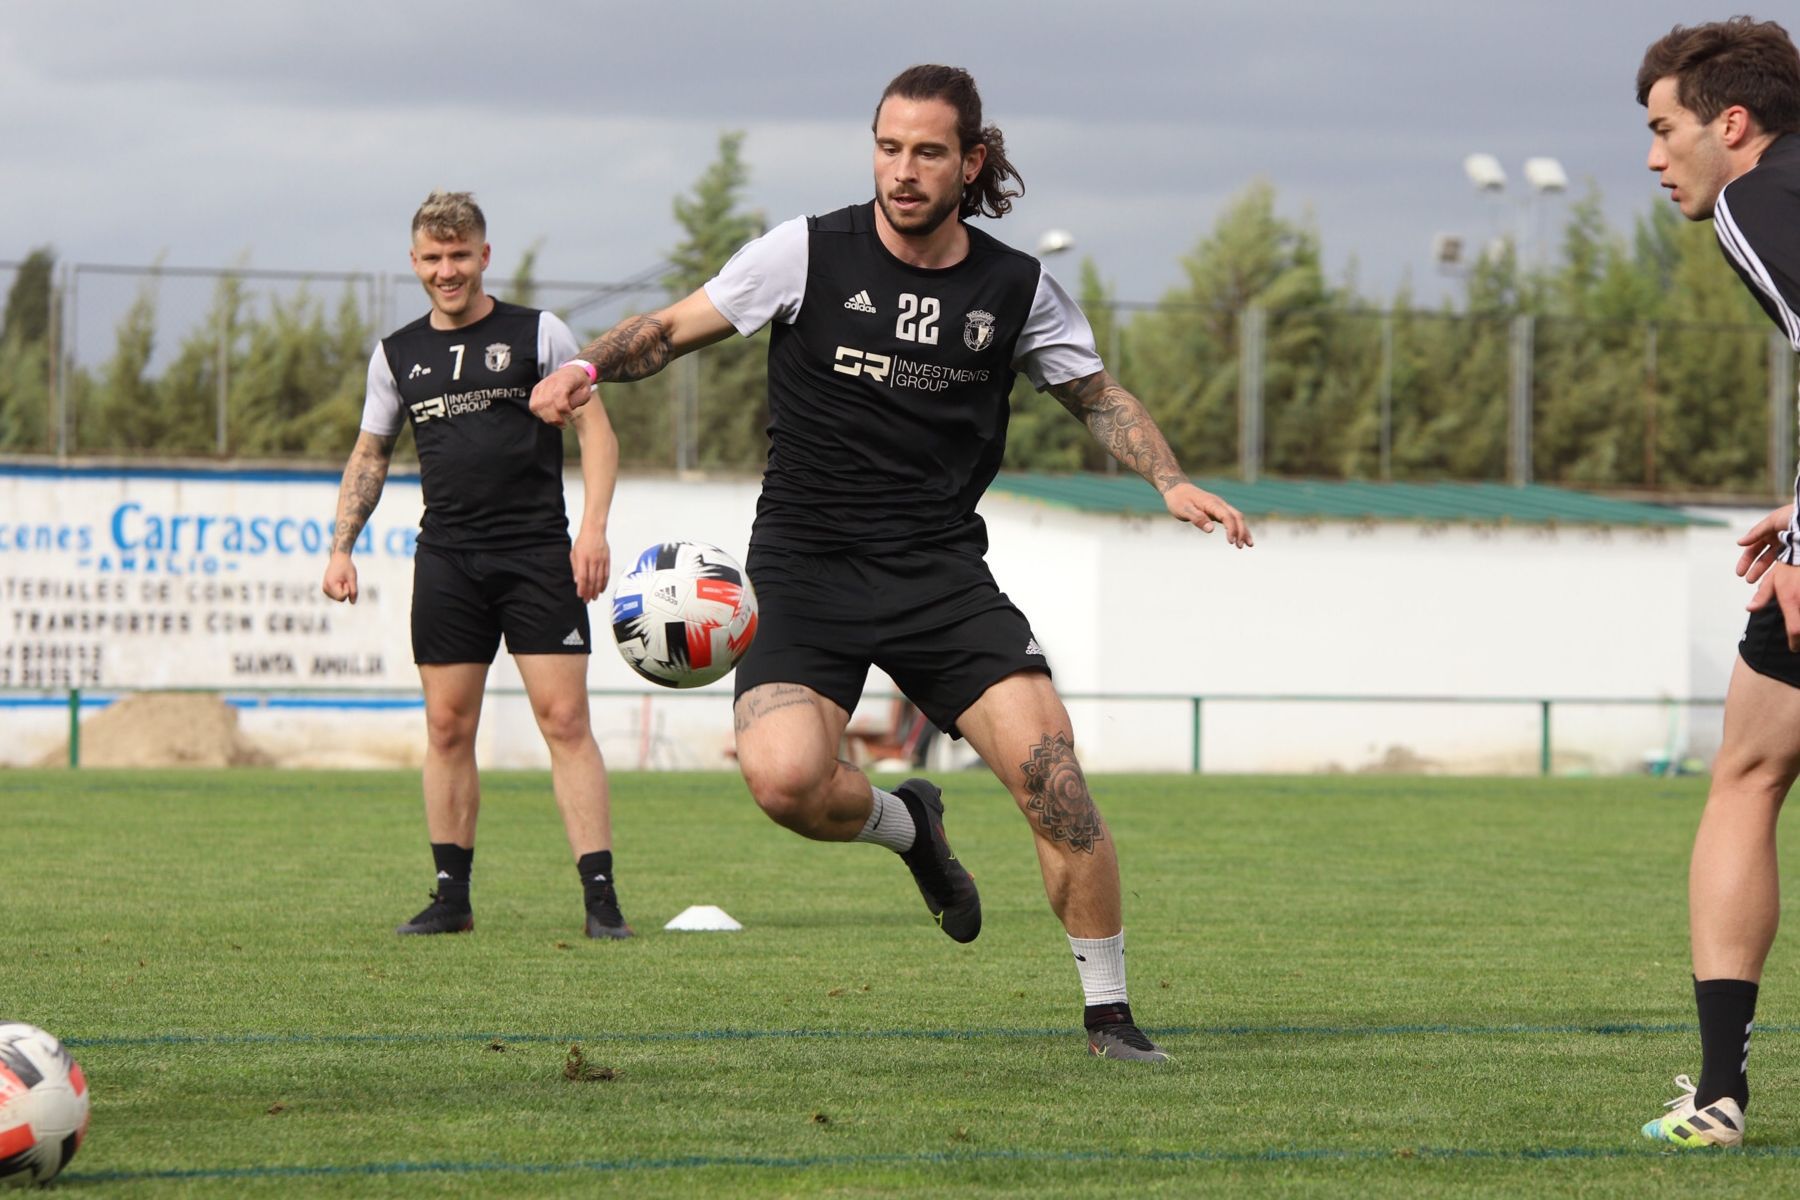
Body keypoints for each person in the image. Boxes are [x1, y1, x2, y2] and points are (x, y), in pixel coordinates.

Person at [532, 66, 1251, 1060]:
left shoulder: (1015, 287)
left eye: (926, 152)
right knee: (784, 782)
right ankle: (911, 827)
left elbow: (1095, 395)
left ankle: (1111, 1019)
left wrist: (1167, 479)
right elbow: (676, 325)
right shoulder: (806, 252)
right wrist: (584, 367)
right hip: (805, 568)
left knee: (1058, 785)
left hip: (940, 577)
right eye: (887, 147)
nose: (902, 171)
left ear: (972, 161)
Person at [323, 191, 633, 940]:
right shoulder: (396, 354)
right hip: (448, 560)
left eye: (460, 256)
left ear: (484, 256)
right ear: (415, 263)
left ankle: (601, 903)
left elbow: (597, 434)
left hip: (535, 555)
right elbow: (371, 453)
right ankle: (450, 899)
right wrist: (341, 546)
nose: (447, 270)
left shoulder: (539, 333)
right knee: (445, 725)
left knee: (565, 721)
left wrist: (592, 531)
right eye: (433, 258)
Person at [1634, 17, 1800, 1148]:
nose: (1654, 157)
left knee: (1744, 777)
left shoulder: (1758, 199)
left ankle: (1720, 1093)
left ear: (1731, 126)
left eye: (1664, 127)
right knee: (1753, 757)